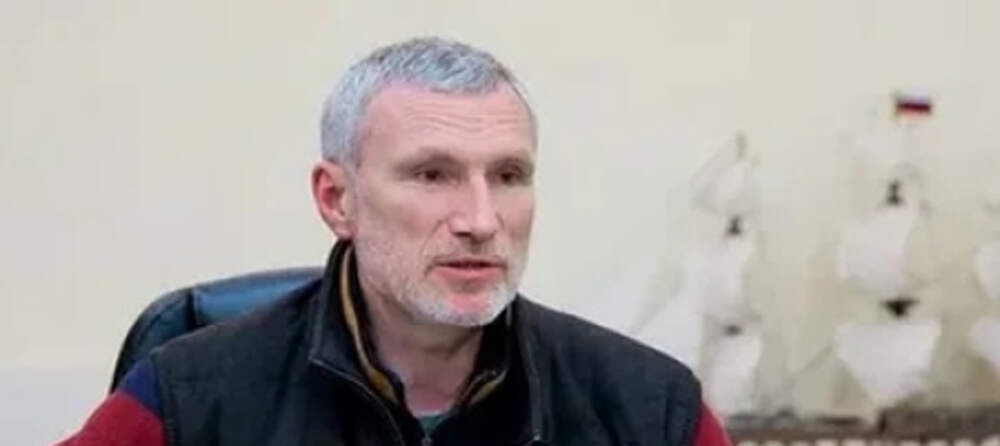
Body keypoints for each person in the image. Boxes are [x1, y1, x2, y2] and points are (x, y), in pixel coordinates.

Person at [58, 37, 731, 446]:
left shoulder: (651, 410)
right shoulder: (188, 400)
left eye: (508, 176)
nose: (481, 219)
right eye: (432, 175)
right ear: (337, 199)